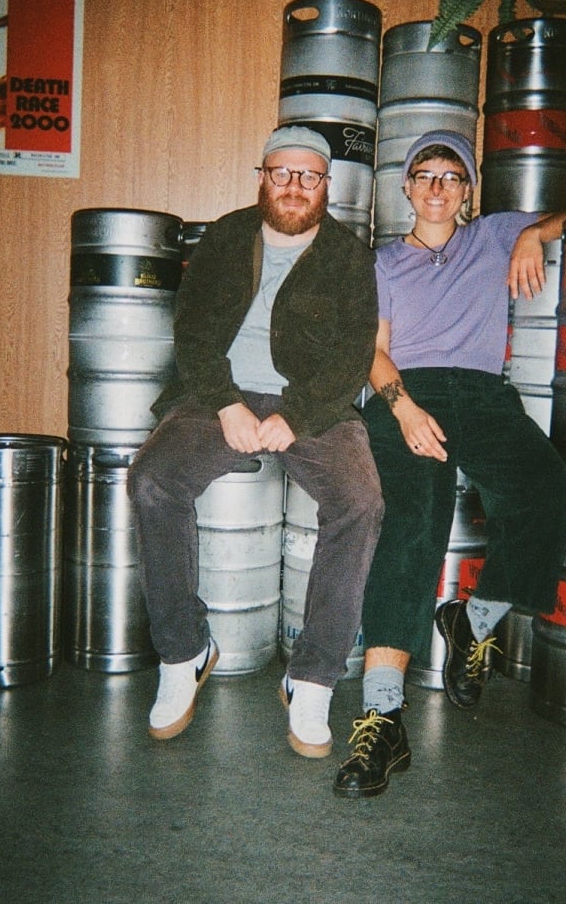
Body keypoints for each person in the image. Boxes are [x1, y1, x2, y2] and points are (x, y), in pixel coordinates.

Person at [333, 130, 566, 798]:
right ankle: (383, 717)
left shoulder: (495, 235)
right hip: (404, 391)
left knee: (553, 497)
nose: (438, 186)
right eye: (426, 174)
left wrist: (536, 233)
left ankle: (472, 621)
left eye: (452, 175)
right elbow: (372, 351)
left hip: (481, 394)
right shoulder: (381, 262)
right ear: (407, 187)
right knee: (411, 525)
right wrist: (405, 409)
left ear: (468, 191)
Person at [127, 125, 383, 759]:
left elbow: (353, 355)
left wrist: (296, 415)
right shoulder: (225, 235)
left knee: (361, 503)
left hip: (312, 407)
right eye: (282, 173)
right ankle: (184, 652)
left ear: (327, 184)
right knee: (153, 480)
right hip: (221, 395)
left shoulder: (350, 254)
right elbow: (189, 333)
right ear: (262, 177)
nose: (295, 187)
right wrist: (225, 403)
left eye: (310, 176)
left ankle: (313, 675)